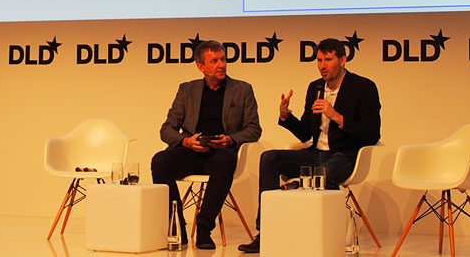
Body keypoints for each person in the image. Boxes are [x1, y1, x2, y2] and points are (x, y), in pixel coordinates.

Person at [237, 37, 380, 254]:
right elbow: (306, 133)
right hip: (315, 154)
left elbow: (371, 134)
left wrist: (336, 116)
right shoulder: (315, 87)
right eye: (319, 60)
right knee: (269, 158)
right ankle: (266, 231)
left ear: (343, 60)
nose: (322, 66)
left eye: (328, 60)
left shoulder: (363, 87)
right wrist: (286, 117)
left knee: (325, 172)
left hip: (345, 155)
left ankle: (326, 236)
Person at [151, 40, 261, 250]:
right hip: (191, 152)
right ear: (201, 66)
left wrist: (230, 140)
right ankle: (177, 226)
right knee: (160, 161)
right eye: (215, 61)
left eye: (223, 59)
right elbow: (167, 129)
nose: (221, 65)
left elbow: (254, 128)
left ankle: (204, 227)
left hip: (221, 153)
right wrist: (186, 141)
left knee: (227, 159)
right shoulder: (187, 90)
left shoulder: (242, 89)